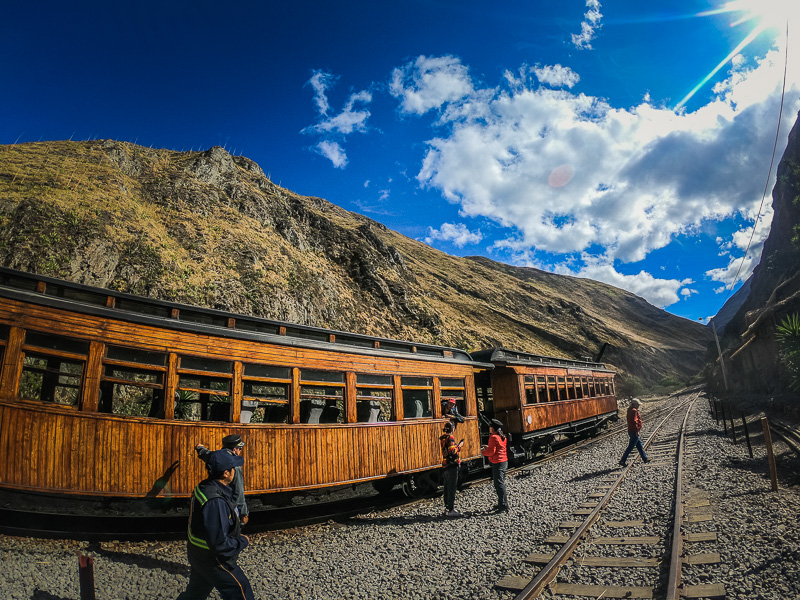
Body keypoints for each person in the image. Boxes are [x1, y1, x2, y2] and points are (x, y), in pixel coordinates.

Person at [177, 450, 254, 600]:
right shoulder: (216, 501)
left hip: (197, 552)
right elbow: (219, 544)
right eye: (233, 468)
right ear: (226, 473)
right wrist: (242, 541)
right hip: (213, 559)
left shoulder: (204, 487)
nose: (235, 471)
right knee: (240, 589)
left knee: (196, 592)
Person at [196, 434, 248, 524]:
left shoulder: (215, 457)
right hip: (228, 503)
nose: (240, 451)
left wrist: (200, 448)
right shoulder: (234, 467)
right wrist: (243, 513)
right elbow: (238, 492)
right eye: (240, 448)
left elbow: (205, 453)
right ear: (235, 449)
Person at [481, 419, 509, 512]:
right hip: (504, 461)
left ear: (492, 428)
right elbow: (498, 449)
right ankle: (502, 503)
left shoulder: (493, 437)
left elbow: (491, 452)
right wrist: (488, 447)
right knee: (500, 483)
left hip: (497, 462)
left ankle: (503, 505)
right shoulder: (502, 436)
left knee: (499, 484)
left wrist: (483, 452)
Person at [439, 421, 463, 517]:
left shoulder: (443, 438)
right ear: (452, 429)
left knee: (446, 487)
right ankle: (451, 509)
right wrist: (459, 446)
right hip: (452, 465)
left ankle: (446, 508)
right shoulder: (451, 438)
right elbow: (452, 451)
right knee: (452, 487)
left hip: (445, 465)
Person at [619, 398, 649, 466]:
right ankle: (622, 461)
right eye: (638, 404)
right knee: (630, 447)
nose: (639, 405)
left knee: (639, 445)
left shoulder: (630, 410)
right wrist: (637, 430)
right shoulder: (634, 411)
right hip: (634, 431)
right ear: (634, 404)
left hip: (631, 430)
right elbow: (635, 422)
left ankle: (645, 458)